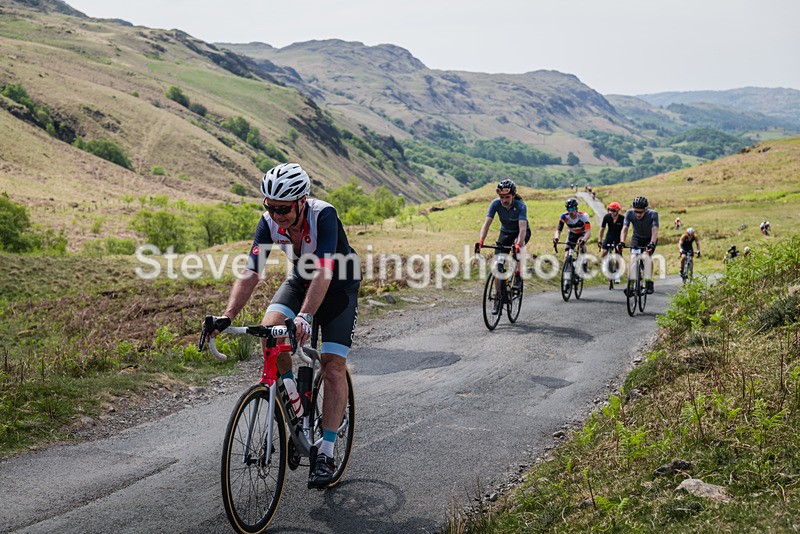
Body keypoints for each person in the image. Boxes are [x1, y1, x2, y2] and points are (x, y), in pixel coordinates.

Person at [205, 163, 361, 489]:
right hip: (301, 281)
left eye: (283, 209)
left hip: (338, 287)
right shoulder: (268, 223)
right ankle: (294, 403)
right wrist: (227, 316)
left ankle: (326, 452)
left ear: (302, 201)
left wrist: (304, 316)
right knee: (269, 332)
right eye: (270, 207)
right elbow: (251, 272)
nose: (276, 215)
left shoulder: (324, 215)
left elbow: (324, 272)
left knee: (333, 366)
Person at [475, 179, 530, 313]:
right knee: (497, 265)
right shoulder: (495, 204)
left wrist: (517, 244)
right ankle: (498, 296)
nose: (504, 200)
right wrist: (481, 241)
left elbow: (522, 228)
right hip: (505, 233)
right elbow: (486, 224)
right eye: (502, 197)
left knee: (518, 249)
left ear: (513, 195)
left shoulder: (521, 205)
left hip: (520, 232)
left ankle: (518, 275)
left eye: (507, 197)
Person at [620, 196, 659, 294]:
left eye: (640, 212)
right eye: (636, 211)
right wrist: (622, 242)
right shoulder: (629, 213)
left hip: (649, 239)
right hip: (636, 239)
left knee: (646, 257)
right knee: (633, 259)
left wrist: (652, 243)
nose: (637, 214)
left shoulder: (653, 214)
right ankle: (631, 285)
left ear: (646, 210)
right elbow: (625, 228)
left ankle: (649, 281)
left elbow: (655, 230)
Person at [553, 197, 591, 269]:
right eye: (568, 209)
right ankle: (567, 274)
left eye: (572, 209)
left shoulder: (583, 216)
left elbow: (588, 232)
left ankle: (584, 261)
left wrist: (584, 240)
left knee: (581, 243)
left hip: (582, 234)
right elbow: (558, 230)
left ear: (576, 208)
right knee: (566, 256)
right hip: (572, 234)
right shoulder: (564, 216)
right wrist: (556, 238)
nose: (570, 212)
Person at [598, 201, 624, 284]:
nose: (611, 212)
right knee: (604, 252)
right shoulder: (607, 217)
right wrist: (600, 239)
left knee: (618, 256)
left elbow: (624, 230)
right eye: (610, 210)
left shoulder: (622, 219)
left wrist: (622, 241)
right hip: (609, 236)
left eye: (614, 211)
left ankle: (617, 274)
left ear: (618, 211)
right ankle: (606, 266)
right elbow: (602, 229)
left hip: (618, 237)